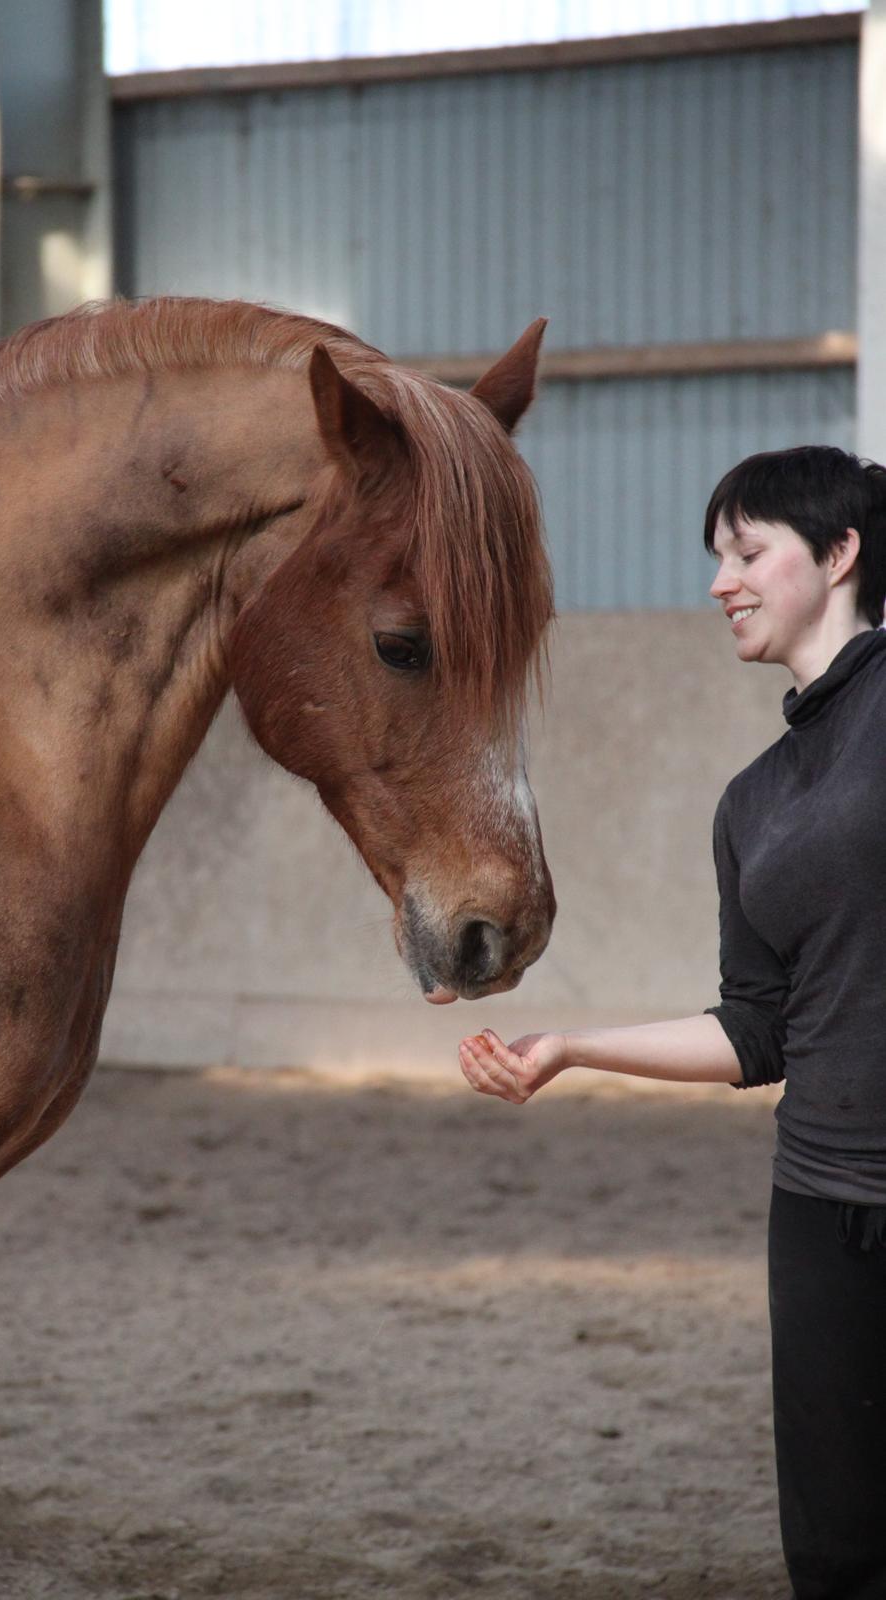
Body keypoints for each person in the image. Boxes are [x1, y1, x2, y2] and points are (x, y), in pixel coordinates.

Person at [458, 444, 886, 1600]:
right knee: (838, 1552)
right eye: (714, 558)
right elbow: (755, 1033)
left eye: (747, 552)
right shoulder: (749, 801)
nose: (719, 583)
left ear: (840, 553)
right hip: (817, 1207)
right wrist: (570, 1047)